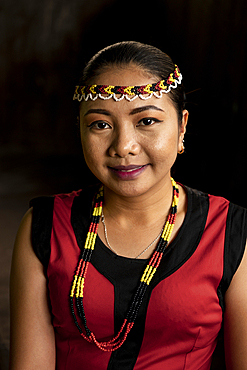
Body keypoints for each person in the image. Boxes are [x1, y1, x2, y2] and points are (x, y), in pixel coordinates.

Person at [9, 41, 247, 370]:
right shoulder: (45, 227)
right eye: (101, 124)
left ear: (181, 128)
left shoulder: (229, 231)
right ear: (80, 131)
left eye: (146, 121)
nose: (123, 147)